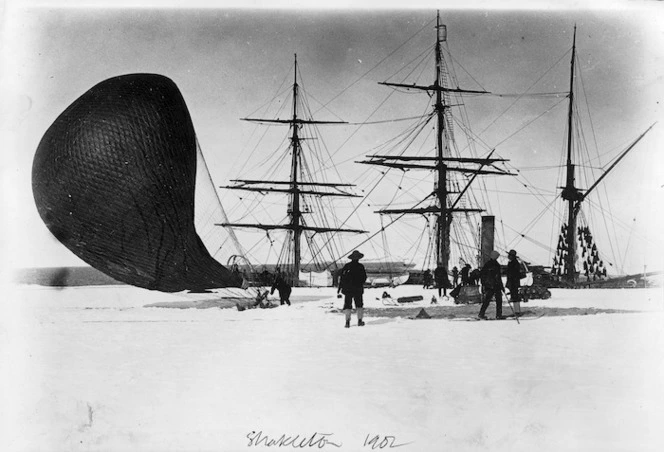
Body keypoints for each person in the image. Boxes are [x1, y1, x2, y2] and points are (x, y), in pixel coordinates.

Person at [338, 250, 367, 328]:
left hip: (348, 289)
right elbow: (364, 278)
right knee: (359, 305)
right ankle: (360, 321)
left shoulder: (347, 266)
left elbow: (342, 278)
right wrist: (359, 283)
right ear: (358, 258)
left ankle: (347, 322)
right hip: (358, 289)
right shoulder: (361, 266)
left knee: (347, 305)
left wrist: (340, 288)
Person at [478, 250, 505, 320]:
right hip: (496, 285)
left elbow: (482, 274)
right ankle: (499, 314)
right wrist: (502, 286)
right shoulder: (496, 265)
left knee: (487, 300)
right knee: (499, 300)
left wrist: (484, 283)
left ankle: (481, 313)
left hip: (489, 285)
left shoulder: (487, 264)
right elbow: (498, 277)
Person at [506, 249, 521, 315]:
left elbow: (512, 273)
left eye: (509, 255)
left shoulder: (513, 263)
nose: (508, 256)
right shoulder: (514, 262)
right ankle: (517, 311)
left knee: (515, 297)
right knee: (514, 296)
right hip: (514, 282)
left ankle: (517, 311)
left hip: (513, 282)